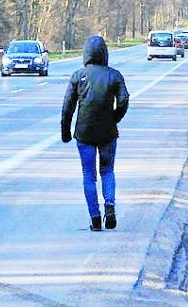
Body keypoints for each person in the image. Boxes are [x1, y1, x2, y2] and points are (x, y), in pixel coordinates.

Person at [61, 36, 129, 231]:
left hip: (84, 133)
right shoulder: (115, 75)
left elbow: (68, 107)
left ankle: (95, 218)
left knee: (88, 175)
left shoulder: (78, 76)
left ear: (86, 55)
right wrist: (114, 118)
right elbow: (124, 101)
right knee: (107, 171)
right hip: (108, 132)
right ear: (105, 54)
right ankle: (110, 206)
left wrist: (66, 131)